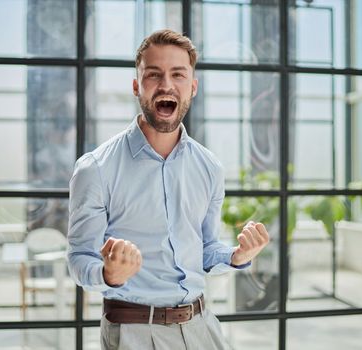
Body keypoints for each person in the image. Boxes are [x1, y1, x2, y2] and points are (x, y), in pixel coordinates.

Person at [67, 29, 270, 350]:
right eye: (153, 75)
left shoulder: (209, 167)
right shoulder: (96, 168)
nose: (166, 85)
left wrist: (236, 255)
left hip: (202, 327)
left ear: (193, 86)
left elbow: (205, 248)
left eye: (178, 74)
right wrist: (109, 274)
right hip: (134, 331)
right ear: (137, 86)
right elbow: (79, 258)